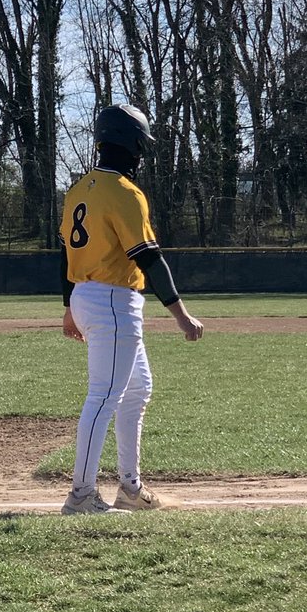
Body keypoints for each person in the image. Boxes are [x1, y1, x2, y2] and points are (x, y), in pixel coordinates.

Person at [59, 103, 204, 515]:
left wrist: (70, 305)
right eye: (140, 145)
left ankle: (129, 487)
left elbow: (64, 251)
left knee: (136, 389)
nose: (142, 154)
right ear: (131, 144)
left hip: (90, 295)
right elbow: (149, 259)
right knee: (103, 397)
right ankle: (81, 496)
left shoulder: (79, 187)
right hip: (111, 301)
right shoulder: (124, 192)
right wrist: (181, 314)